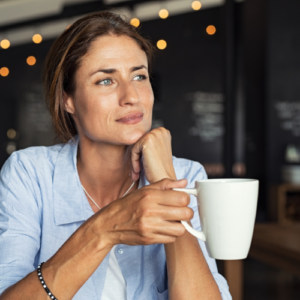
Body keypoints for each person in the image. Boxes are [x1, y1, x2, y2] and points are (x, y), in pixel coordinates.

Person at [0, 11, 231, 300]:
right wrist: (105, 229)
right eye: (105, 81)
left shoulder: (187, 176)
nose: (131, 96)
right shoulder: (29, 174)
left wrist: (164, 177)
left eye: (139, 76)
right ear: (66, 99)